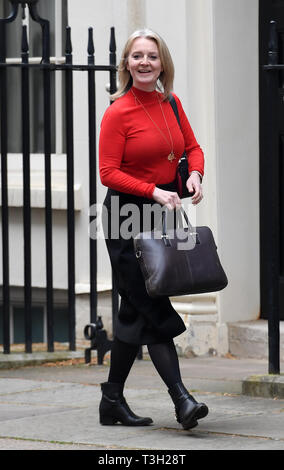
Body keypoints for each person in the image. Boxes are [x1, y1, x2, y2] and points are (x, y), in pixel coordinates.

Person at [98, 28, 208, 430]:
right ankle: (182, 399)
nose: (145, 63)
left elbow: (192, 148)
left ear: (163, 63)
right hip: (125, 219)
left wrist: (194, 175)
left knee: (135, 310)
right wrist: (153, 191)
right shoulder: (118, 111)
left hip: (160, 214)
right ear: (126, 63)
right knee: (152, 304)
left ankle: (111, 400)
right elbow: (107, 172)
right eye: (137, 56)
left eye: (152, 56)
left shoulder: (171, 103)